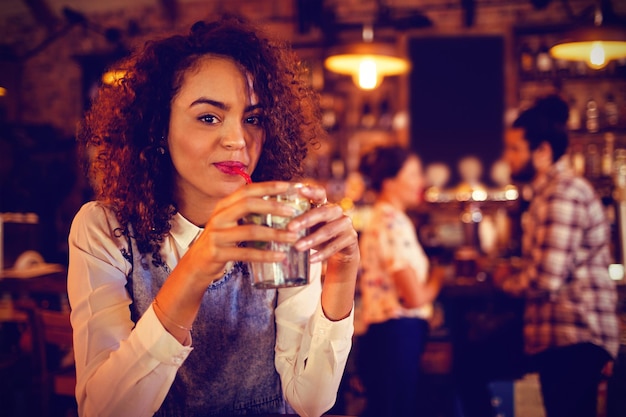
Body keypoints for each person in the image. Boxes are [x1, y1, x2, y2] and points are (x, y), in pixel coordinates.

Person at [67, 16, 360, 417]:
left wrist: (341, 278)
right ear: (158, 127)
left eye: (253, 118)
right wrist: (199, 262)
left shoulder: (282, 225)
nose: (238, 139)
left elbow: (309, 401)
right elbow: (104, 410)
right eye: (209, 117)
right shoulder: (105, 229)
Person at [496, 94, 619, 417]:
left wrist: (505, 280)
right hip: (563, 336)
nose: (507, 158)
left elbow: (545, 278)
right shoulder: (548, 193)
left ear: (543, 151)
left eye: (514, 149)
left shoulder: (561, 193)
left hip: (575, 335)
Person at [356, 145, 444, 417]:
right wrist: (438, 279)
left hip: (388, 334)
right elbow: (413, 297)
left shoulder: (386, 218)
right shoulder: (391, 221)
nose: (421, 181)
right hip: (395, 334)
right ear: (390, 182)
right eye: (415, 173)